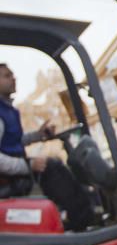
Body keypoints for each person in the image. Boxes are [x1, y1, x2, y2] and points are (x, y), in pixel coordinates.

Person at [0, 63, 93, 230]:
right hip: (8, 178)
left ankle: (77, 220)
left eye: (12, 75)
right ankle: (83, 223)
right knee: (53, 168)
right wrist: (27, 165)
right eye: (7, 76)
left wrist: (38, 136)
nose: (13, 79)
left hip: (15, 170)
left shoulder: (8, 110)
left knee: (53, 165)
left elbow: (11, 142)